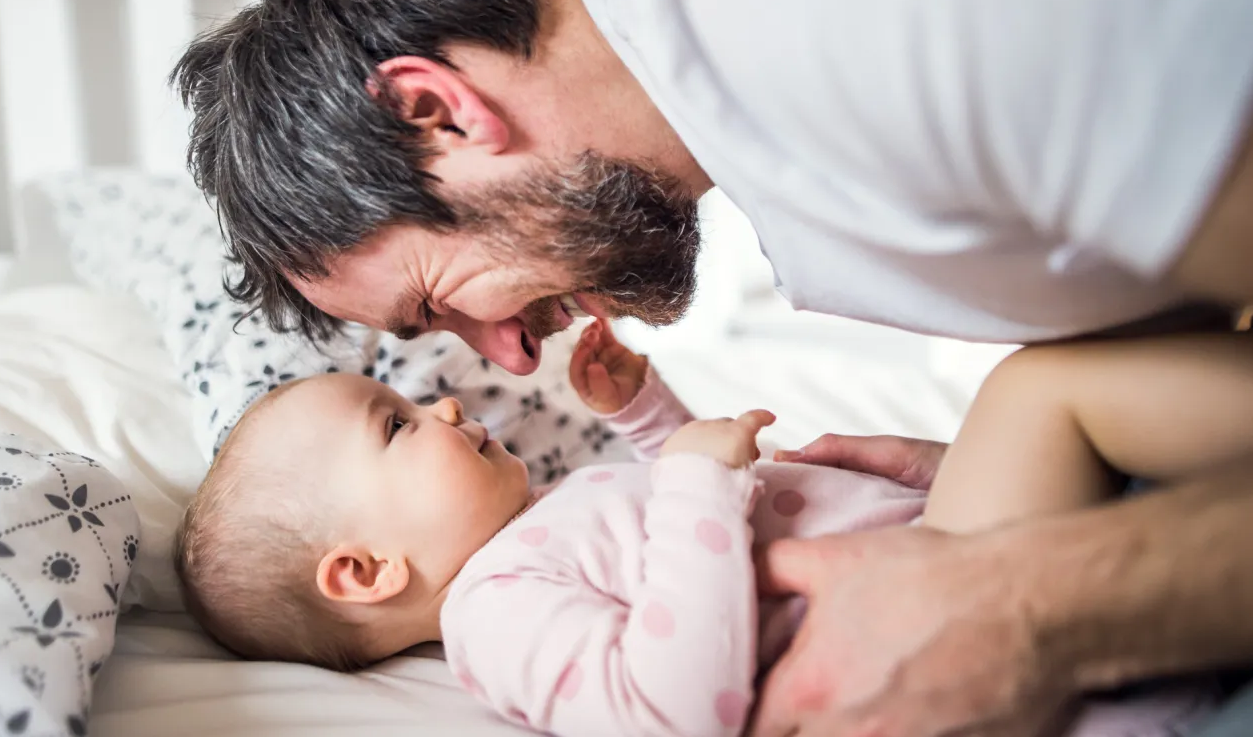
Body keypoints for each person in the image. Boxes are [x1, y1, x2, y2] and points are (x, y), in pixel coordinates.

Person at [171, 0, 1253, 733]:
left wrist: (1035, 596)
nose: (501, 358)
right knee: (1044, 390)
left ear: (436, 111)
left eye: (435, 301)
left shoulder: (870, 15)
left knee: (1039, 389)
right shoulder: (499, 603)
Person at [176, 320, 1250, 735]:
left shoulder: (546, 522)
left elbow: (696, 540)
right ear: (363, 572)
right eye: (397, 428)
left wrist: (651, 420)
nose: (446, 406)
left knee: (1085, 380)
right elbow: (672, 701)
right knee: (1038, 388)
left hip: (984, 555)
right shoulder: (493, 618)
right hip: (951, 608)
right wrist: (691, 484)